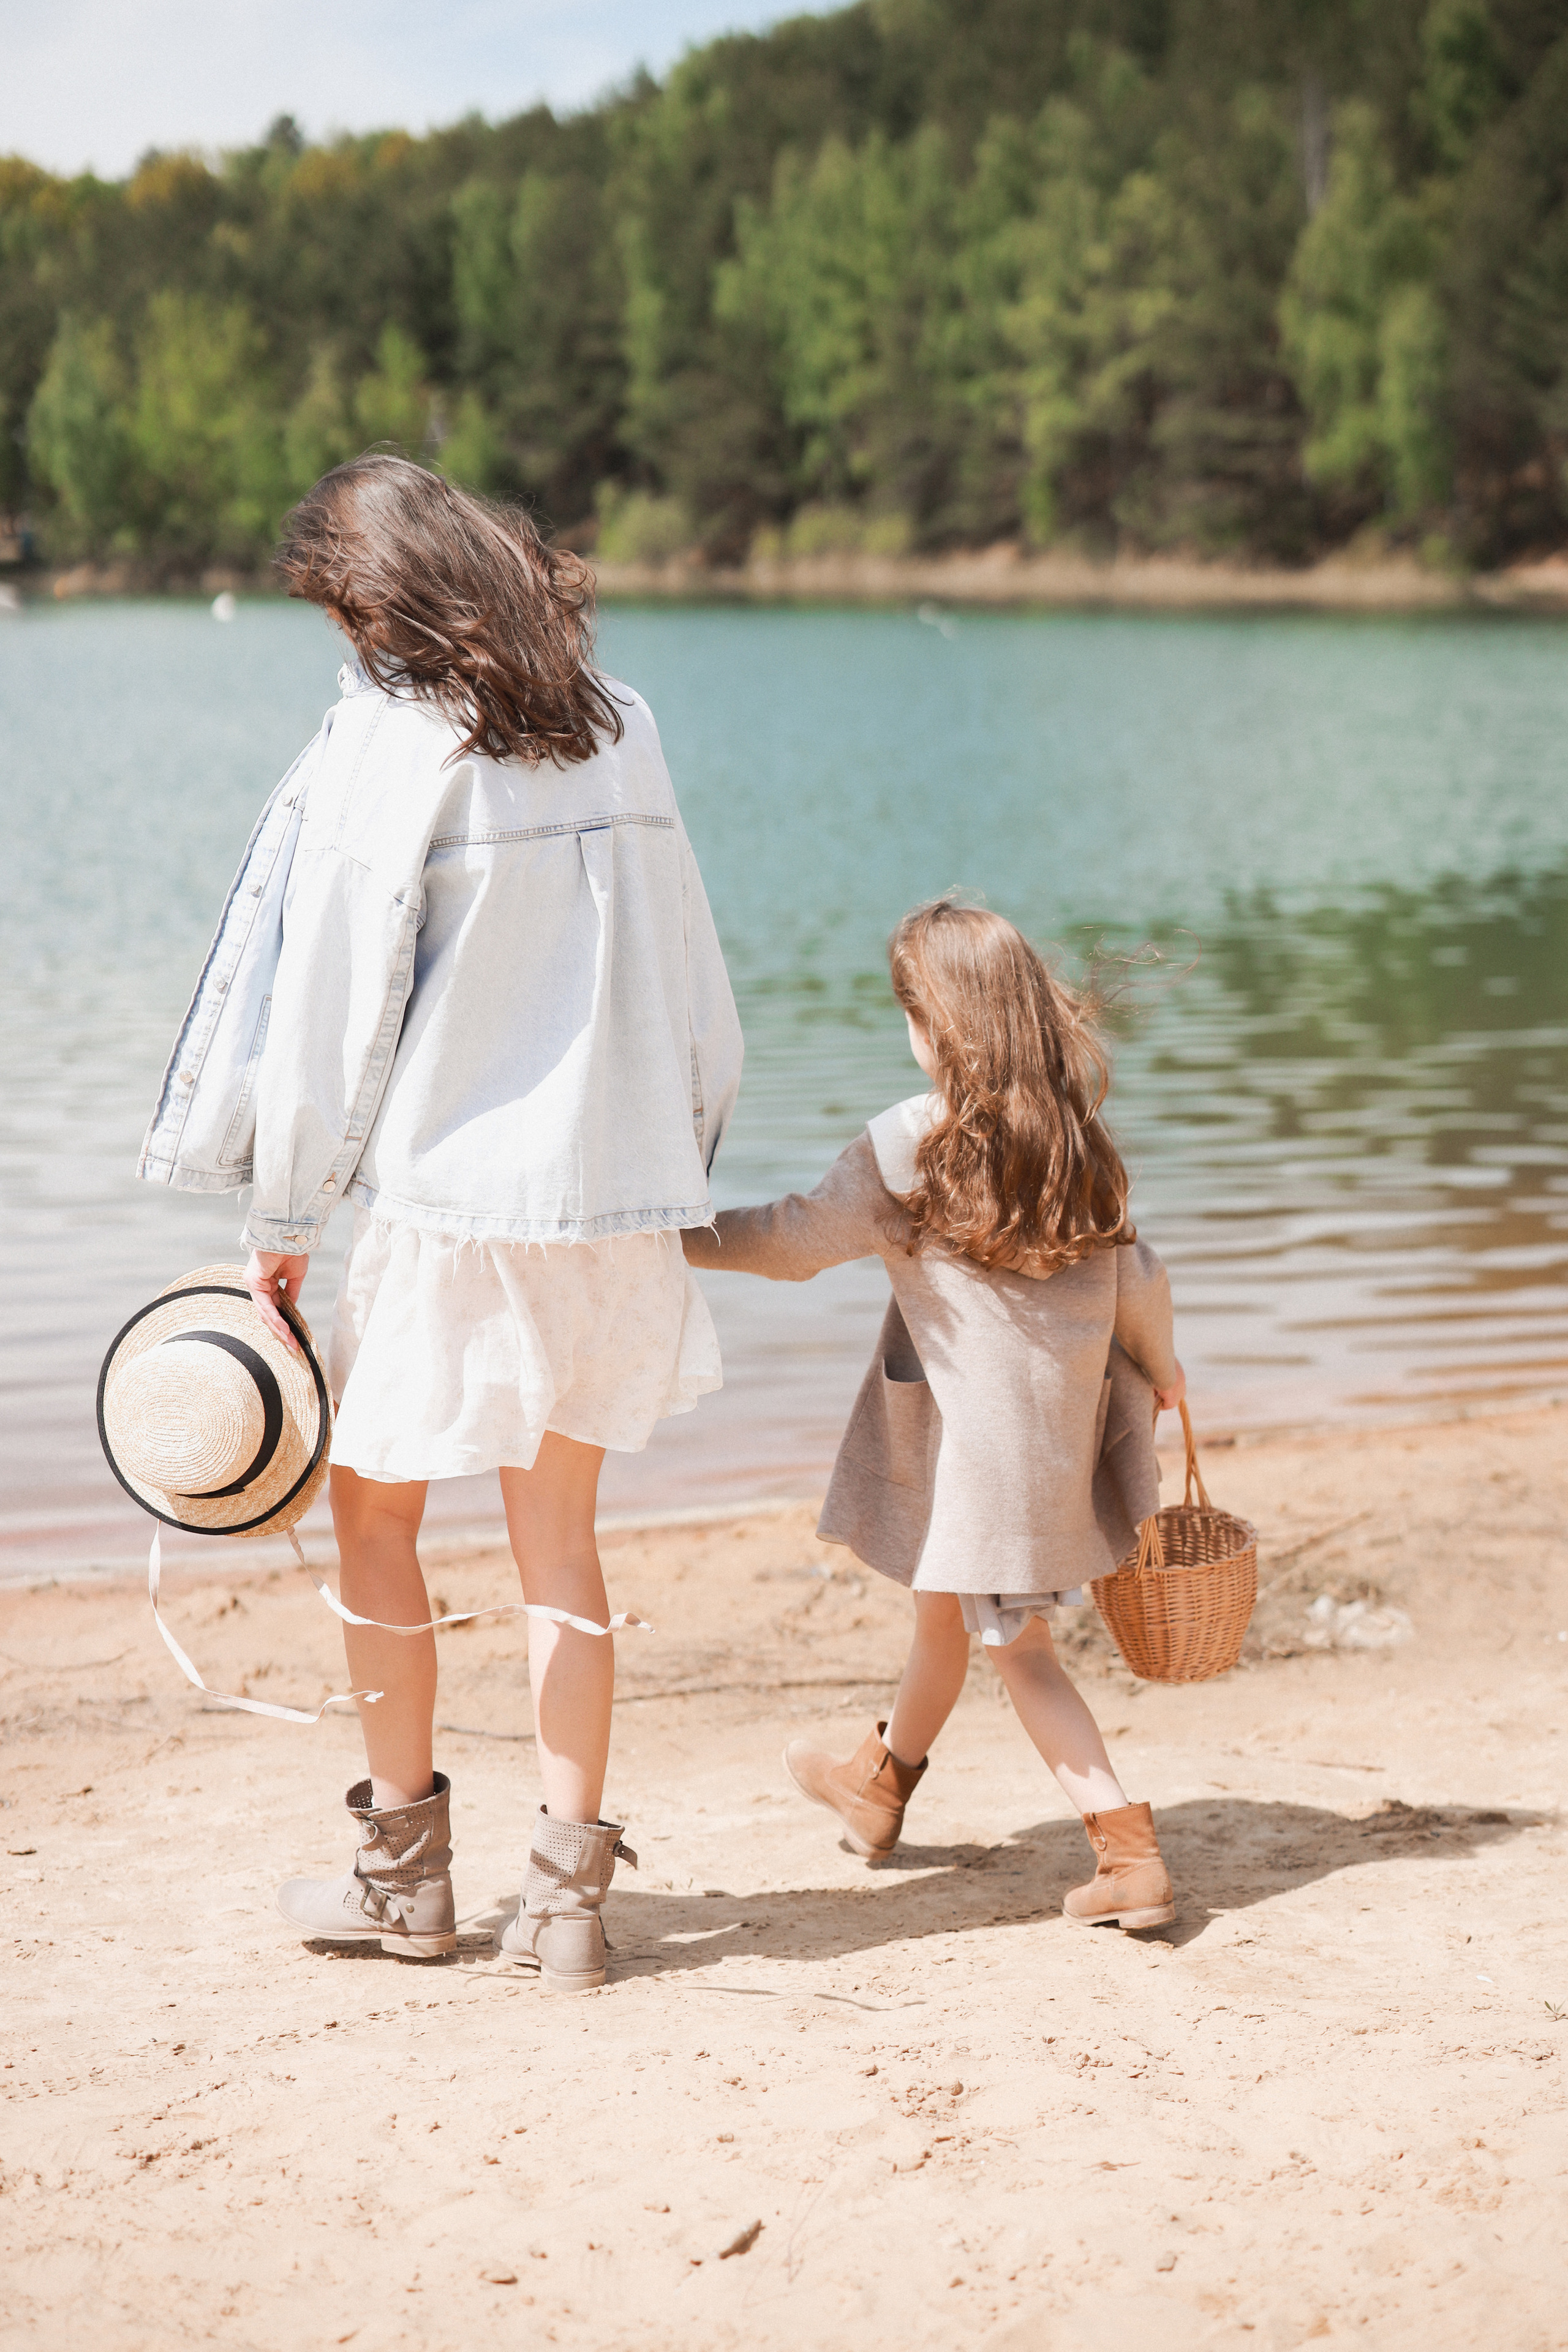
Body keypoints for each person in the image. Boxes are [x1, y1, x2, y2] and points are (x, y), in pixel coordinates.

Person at [139, 454, 742, 1989]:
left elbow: (335, 1011)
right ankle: (567, 1907)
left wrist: (286, 1220)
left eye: (341, 609)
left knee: (374, 1524)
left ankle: (404, 1882)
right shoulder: (623, 725)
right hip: (606, 1199)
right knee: (562, 1548)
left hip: (447, 1202)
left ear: (375, 598)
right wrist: (685, 1153)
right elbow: (692, 969)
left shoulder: (388, 750)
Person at [683, 899, 1183, 1930]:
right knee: (942, 1613)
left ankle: (1126, 1848)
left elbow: (788, 1243)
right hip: (1052, 1444)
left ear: (938, 1029)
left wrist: (673, 1233)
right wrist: (1165, 1370)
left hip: (986, 1463)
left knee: (1023, 1651)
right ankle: (877, 1788)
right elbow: (1140, 1280)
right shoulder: (1079, 1143)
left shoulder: (909, 1146)